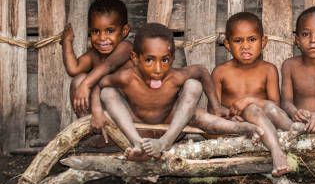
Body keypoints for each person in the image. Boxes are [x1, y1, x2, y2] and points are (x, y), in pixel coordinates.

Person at [95, 23, 262, 161]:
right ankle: (138, 145)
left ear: (173, 57)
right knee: (107, 93)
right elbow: (98, 85)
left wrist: (215, 105)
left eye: (165, 60)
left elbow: (202, 71)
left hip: (172, 126)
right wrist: (96, 110)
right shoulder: (126, 78)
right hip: (138, 126)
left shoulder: (175, 76)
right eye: (149, 60)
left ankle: (242, 128)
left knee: (194, 86)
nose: (158, 69)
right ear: (134, 57)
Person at [212, 12, 304, 176]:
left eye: (252, 39)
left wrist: (248, 100)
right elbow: (213, 110)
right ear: (227, 44)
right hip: (237, 127)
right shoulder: (220, 72)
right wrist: (229, 116)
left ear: (263, 42)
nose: (245, 46)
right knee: (252, 109)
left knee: (262, 107)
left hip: (268, 122)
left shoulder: (268, 69)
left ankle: (293, 129)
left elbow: (275, 104)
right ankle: (276, 151)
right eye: (238, 40)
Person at [61, 0, 132, 122]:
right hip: (100, 111)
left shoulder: (125, 48)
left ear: (124, 30)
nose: (102, 38)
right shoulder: (94, 54)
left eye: (110, 31)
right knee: (78, 80)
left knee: (88, 83)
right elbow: (73, 69)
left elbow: (109, 65)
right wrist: (67, 42)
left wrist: (86, 84)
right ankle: (88, 128)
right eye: (95, 31)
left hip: (129, 112)